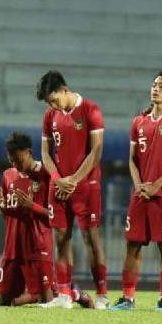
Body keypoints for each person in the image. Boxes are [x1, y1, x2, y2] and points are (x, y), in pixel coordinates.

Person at [109, 71, 162, 312]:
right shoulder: (138, 121)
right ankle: (128, 298)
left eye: (161, 86)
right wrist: (140, 185)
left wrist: (156, 184)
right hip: (140, 193)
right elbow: (132, 159)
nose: (155, 88)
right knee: (132, 245)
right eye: (154, 84)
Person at [35, 70, 108, 309]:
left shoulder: (90, 110)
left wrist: (73, 180)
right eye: (49, 103)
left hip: (86, 185)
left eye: (54, 99)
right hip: (59, 186)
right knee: (60, 238)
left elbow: (96, 151)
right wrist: (57, 178)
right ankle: (64, 295)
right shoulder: (50, 116)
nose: (52, 105)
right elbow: (45, 152)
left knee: (91, 239)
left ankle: (102, 296)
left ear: (65, 90)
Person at [0, 132, 62, 306]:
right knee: (3, 300)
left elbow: (56, 217)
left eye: (18, 160)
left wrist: (32, 206)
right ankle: (32, 295)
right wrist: (2, 208)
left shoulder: (47, 175)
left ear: (29, 152)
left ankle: (73, 293)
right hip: (12, 247)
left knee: (47, 301)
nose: (15, 164)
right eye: (12, 161)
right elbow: (8, 215)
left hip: (37, 246)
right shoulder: (8, 175)